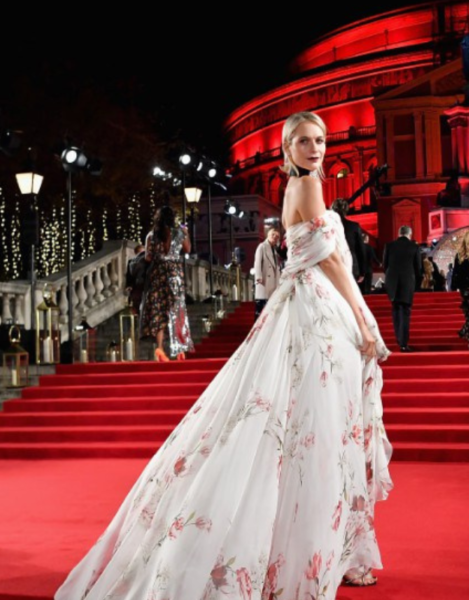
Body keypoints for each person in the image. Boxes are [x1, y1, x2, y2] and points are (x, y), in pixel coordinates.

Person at [55, 111, 393, 600]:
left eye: (320, 139)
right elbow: (334, 262)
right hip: (316, 314)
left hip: (303, 308)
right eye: (304, 141)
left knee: (300, 433)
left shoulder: (295, 188)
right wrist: (362, 319)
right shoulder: (307, 186)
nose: (315, 148)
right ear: (287, 147)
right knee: (317, 433)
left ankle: (313, 552)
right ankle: (311, 558)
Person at [140, 206, 194, 362]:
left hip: (158, 274)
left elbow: (148, 257)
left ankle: (160, 347)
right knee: (177, 310)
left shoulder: (151, 235)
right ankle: (180, 348)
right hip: (174, 274)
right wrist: (186, 234)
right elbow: (187, 249)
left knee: (159, 312)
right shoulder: (179, 233)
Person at [383, 225, 420, 352]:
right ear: (409, 234)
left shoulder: (389, 246)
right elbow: (418, 268)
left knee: (396, 309)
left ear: (399, 233)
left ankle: (399, 339)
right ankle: (403, 343)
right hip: (407, 282)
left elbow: (385, 265)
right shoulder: (414, 247)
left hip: (392, 282)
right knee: (405, 311)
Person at [331, 198, 366, 285]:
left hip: (332, 265)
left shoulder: (328, 226)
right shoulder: (354, 226)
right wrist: (362, 271)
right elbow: (360, 250)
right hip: (352, 266)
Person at [253, 227, 282, 320]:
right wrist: (258, 277)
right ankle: (257, 325)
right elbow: (257, 262)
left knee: (270, 309)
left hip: (273, 281)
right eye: (273, 235)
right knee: (261, 308)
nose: (275, 237)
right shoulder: (262, 246)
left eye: (277, 236)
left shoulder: (274, 250)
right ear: (268, 235)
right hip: (264, 281)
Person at [124, 243, 147, 313]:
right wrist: (129, 285)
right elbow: (129, 275)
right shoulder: (132, 262)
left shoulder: (148, 259)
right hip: (137, 286)